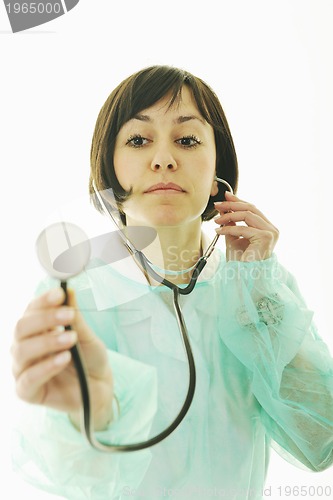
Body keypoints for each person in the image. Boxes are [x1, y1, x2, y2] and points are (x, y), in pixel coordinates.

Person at [11, 65, 333, 500]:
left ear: (220, 168)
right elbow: (67, 476)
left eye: (187, 140)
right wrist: (96, 413)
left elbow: (320, 444)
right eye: (138, 140)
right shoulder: (75, 295)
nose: (163, 158)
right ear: (109, 167)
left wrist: (256, 291)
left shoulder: (262, 287)